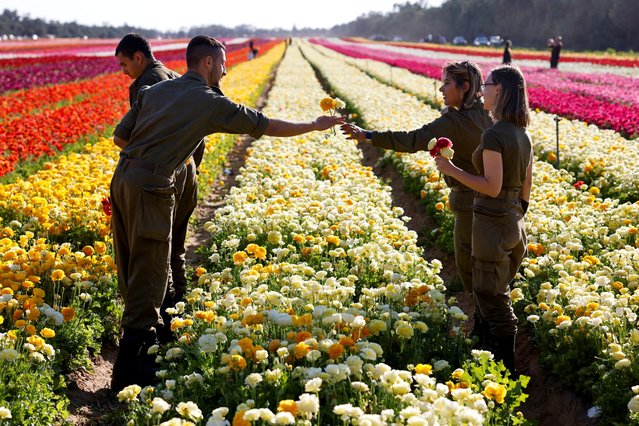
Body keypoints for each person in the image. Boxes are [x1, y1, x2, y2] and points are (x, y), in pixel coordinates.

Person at [109, 35, 344, 391]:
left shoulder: (153, 91)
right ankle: (128, 372)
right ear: (206, 63)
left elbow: (120, 136)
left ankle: (143, 351)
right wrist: (314, 125)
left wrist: (152, 156)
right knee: (151, 269)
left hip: (123, 179)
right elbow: (267, 125)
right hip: (151, 188)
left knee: (131, 264)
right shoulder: (208, 101)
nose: (225, 69)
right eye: (221, 63)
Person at [340, 61, 493, 334]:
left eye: (447, 83)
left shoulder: (454, 121)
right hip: (498, 201)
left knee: (470, 266)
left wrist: (368, 136)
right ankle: (491, 326)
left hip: (469, 204)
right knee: (490, 267)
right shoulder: (488, 114)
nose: (441, 88)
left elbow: (413, 140)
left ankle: (485, 329)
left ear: (465, 87)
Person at [434, 65, 533, 375]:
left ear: (499, 91)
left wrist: (452, 172)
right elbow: (526, 185)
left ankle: (507, 372)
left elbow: (491, 186)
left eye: (487, 85)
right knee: (493, 290)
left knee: (491, 297)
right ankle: (489, 355)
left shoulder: (494, 134)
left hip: (492, 221)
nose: (482, 91)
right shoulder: (521, 133)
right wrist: (513, 214)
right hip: (511, 220)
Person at [115, 33, 201, 345]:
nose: (124, 71)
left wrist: (134, 172)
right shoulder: (177, 77)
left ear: (139, 57)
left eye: (125, 64)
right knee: (175, 245)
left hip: (159, 175)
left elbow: (131, 138)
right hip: (184, 168)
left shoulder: (146, 86)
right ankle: (179, 313)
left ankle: (156, 325)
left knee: (151, 252)